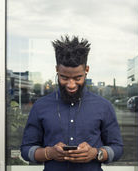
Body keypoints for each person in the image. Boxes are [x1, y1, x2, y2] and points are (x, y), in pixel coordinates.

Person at [21, 35, 123, 171]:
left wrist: (95, 153)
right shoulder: (40, 106)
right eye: (64, 77)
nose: (71, 84)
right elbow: (26, 150)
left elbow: (117, 148)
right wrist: (49, 153)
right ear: (57, 69)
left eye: (77, 78)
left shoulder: (103, 106)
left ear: (86, 70)